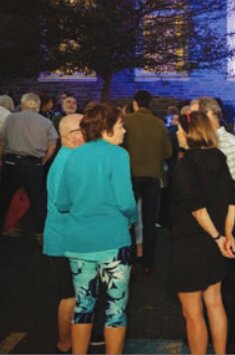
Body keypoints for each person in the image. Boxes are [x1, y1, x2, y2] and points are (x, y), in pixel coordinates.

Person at [55, 104, 137, 354]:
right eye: (120, 126)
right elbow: (126, 202)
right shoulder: (118, 155)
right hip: (113, 240)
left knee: (83, 306)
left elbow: (62, 202)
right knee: (115, 309)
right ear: (106, 128)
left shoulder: (73, 154)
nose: (124, 131)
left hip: (78, 242)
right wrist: (132, 218)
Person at [169, 110, 235, 355]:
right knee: (215, 303)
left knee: (193, 313)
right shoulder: (218, 156)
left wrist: (219, 237)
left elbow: (196, 209)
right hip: (215, 242)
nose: (176, 133)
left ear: (190, 133)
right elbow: (232, 199)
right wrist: (227, 235)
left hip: (190, 243)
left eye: (179, 129)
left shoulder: (185, 163)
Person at [43, 114, 84, 354]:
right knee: (69, 296)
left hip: (68, 238)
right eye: (84, 129)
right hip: (63, 240)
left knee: (77, 294)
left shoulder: (72, 158)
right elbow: (63, 203)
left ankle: (76, 337)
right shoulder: (68, 162)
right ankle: (65, 343)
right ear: (71, 136)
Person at [123, 90, 173, 274]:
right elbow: (167, 152)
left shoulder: (127, 122)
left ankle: (130, 258)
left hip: (131, 175)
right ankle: (148, 262)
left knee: (129, 219)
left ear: (135, 103)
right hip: (152, 175)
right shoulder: (159, 123)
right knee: (150, 220)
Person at [0, 93, 58, 236]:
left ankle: (3, 228)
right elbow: (52, 145)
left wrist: (1, 159)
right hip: (33, 164)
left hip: (12, 162)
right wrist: (44, 160)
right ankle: (40, 233)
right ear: (37, 105)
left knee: (4, 198)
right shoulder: (45, 122)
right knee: (37, 200)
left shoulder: (11, 119)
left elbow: (2, 142)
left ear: (23, 103)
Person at [191, 97, 235, 202]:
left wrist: (226, 217)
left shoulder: (231, 144)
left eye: (194, 116)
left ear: (209, 114)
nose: (191, 121)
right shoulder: (196, 142)